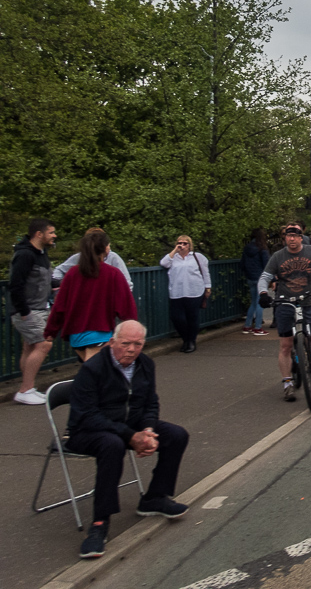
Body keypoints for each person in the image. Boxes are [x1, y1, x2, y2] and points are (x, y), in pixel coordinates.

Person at [68, 321, 190, 560]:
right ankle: (99, 523)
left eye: (138, 344)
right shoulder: (92, 369)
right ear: (113, 342)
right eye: (125, 344)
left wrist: (148, 431)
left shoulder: (146, 364)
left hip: (129, 426)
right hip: (87, 431)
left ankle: (154, 498)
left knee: (177, 435)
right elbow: (87, 415)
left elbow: (150, 403)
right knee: (112, 445)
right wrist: (130, 436)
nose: (132, 349)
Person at [257, 223, 311, 401]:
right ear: (285, 238)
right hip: (285, 303)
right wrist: (263, 293)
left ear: (300, 237)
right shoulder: (278, 256)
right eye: (288, 236)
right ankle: (287, 384)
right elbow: (265, 277)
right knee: (286, 346)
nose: (292, 239)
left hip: (306, 302)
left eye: (295, 236)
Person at [44, 230, 137, 361]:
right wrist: (132, 331)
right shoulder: (113, 274)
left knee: (91, 372)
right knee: (97, 375)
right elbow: (125, 305)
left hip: (75, 335)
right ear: (106, 249)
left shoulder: (72, 273)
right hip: (100, 332)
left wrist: (50, 332)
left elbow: (60, 306)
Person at [8, 218, 57, 405]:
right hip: (27, 310)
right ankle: (25, 390)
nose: (54, 236)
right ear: (39, 234)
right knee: (44, 344)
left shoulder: (41, 254)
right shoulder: (25, 255)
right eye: (51, 232)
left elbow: (48, 279)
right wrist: (23, 310)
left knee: (30, 346)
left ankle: (29, 387)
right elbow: (16, 284)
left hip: (39, 307)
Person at [159, 235, 210, 353]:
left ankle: (191, 341)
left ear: (189, 245)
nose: (182, 245)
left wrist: (208, 287)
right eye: (179, 243)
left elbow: (205, 272)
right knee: (177, 317)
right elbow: (163, 263)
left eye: (185, 243)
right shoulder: (173, 258)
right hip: (177, 292)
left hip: (194, 291)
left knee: (192, 317)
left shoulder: (197, 257)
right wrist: (174, 251)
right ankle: (186, 339)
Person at [52, 228, 133, 291]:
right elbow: (59, 270)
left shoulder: (113, 258)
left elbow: (127, 284)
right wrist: (60, 284)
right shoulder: (78, 258)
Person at [242, 228, 270, 335]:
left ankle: (247, 325)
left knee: (253, 302)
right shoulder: (262, 249)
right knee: (260, 302)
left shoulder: (247, 248)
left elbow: (242, 264)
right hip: (260, 278)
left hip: (250, 277)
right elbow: (267, 265)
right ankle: (258, 327)